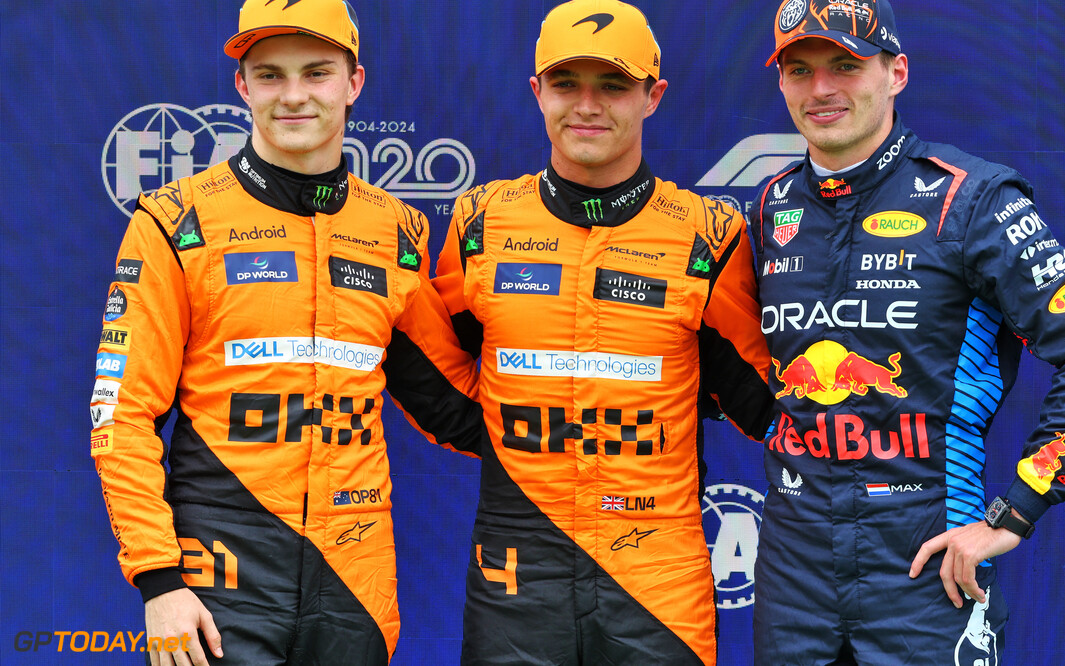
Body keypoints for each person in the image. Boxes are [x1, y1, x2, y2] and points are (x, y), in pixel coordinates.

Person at [749, 1, 1065, 664]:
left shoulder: (974, 198)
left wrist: (1013, 513)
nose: (821, 89)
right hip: (794, 575)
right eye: (800, 69)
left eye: (845, 65)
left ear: (896, 72)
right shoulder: (770, 206)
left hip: (928, 568)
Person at [89, 1, 478, 664]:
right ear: (242, 86)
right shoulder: (176, 222)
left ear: (354, 83)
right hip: (218, 582)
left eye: (316, 73)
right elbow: (121, 416)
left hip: (356, 580)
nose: (293, 95)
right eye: (270, 75)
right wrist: (159, 580)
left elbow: (450, 402)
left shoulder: (397, 233)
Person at [432, 0, 774, 663]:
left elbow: (756, 396)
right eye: (566, 84)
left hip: (658, 580)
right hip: (516, 573)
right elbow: (434, 374)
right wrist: (516, 446)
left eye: (613, 85)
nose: (587, 105)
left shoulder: (708, 233)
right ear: (536, 92)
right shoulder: (479, 224)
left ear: (654, 96)